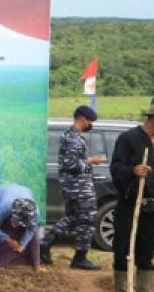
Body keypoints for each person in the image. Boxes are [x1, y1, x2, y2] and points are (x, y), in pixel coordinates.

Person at [108, 96, 154, 292]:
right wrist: (132, 171)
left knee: (146, 252)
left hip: (153, 208)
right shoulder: (128, 139)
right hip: (130, 204)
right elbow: (115, 168)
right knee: (122, 249)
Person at [40, 105, 107, 270]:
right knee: (87, 220)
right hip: (78, 188)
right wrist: (92, 161)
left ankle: (46, 244)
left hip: (77, 187)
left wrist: (89, 160)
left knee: (73, 219)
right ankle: (80, 258)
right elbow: (71, 165)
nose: (91, 125)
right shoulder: (72, 138)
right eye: (90, 121)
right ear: (82, 119)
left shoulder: (75, 136)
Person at [0, 184, 41, 269]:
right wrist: (7, 239)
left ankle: (35, 263)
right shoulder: (5, 207)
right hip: (2, 194)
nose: (16, 226)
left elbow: (31, 230)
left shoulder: (35, 214)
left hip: (25, 191)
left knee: (33, 234)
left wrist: (23, 244)